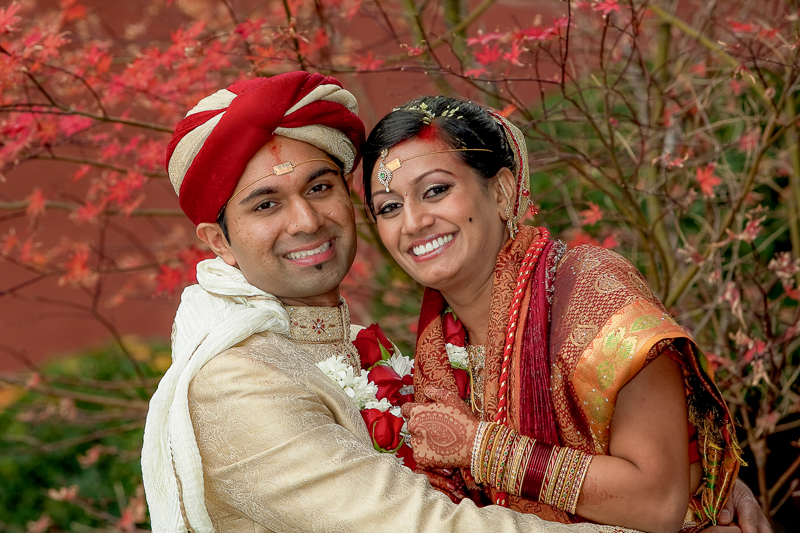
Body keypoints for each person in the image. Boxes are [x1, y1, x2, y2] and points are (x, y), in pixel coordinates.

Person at [140, 72, 650, 533]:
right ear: (220, 242)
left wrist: (695, 485)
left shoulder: (358, 342)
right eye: (267, 203)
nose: (306, 221)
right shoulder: (237, 383)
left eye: (319, 187)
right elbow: (424, 525)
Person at [361, 96, 769, 533]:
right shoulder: (437, 353)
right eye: (389, 207)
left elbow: (658, 502)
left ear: (500, 191)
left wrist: (480, 448)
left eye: (436, 190)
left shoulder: (589, 291)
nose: (413, 221)